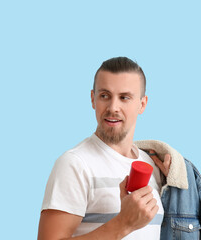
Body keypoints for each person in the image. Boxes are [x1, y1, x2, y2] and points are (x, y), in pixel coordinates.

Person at [37, 57, 166, 239]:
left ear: (142, 104)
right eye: (105, 96)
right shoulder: (75, 164)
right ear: (93, 99)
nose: (113, 107)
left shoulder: (153, 166)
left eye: (124, 98)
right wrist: (123, 224)